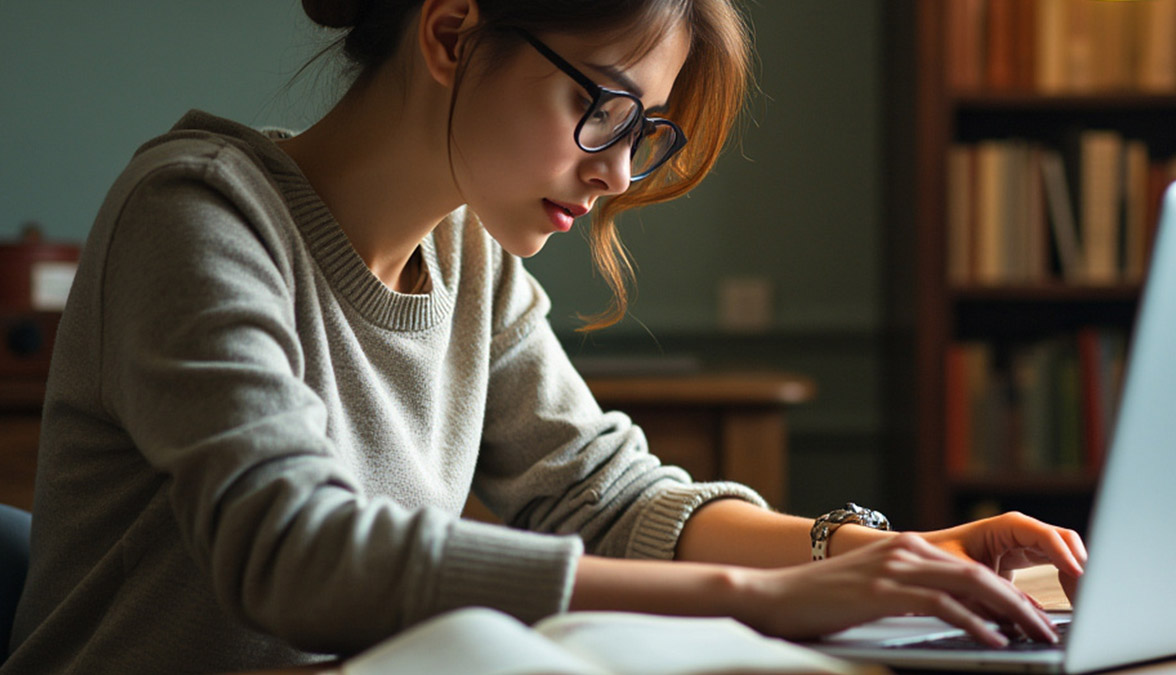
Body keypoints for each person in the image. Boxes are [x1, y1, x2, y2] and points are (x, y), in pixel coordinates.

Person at [4, 1, 1087, 673]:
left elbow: (605, 495)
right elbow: (297, 554)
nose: (616, 172)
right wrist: (761, 600)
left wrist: (883, 557)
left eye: (643, 133)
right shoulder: (197, 214)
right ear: (451, 34)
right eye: (602, 109)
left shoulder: (470, 258)